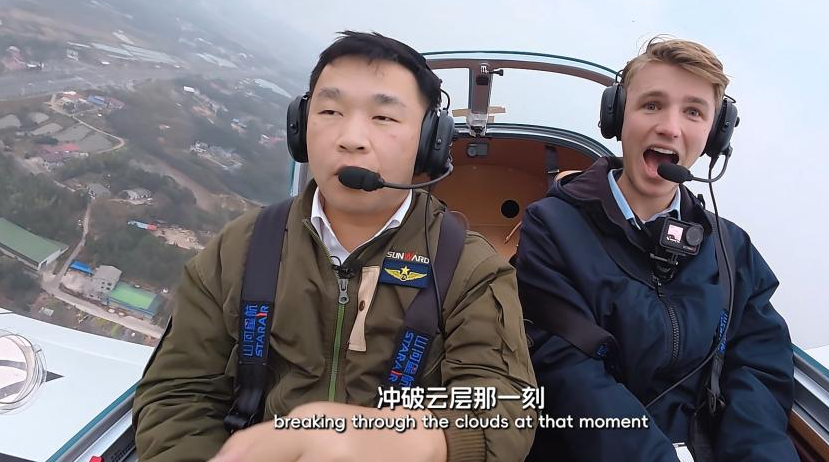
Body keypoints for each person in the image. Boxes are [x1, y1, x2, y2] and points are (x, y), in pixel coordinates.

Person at [133, 31, 537, 462]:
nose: (351, 138)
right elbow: (176, 394)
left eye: (383, 117)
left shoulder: (471, 269)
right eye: (330, 111)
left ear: (429, 141)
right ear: (300, 126)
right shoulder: (240, 248)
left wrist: (407, 441)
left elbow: (505, 409)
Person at [516, 37, 797, 461]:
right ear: (617, 117)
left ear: (715, 134)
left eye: (693, 112)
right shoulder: (552, 228)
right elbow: (568, 376)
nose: (670, 127)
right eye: (651, 105)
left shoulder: (731, 248)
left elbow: (759, 369)